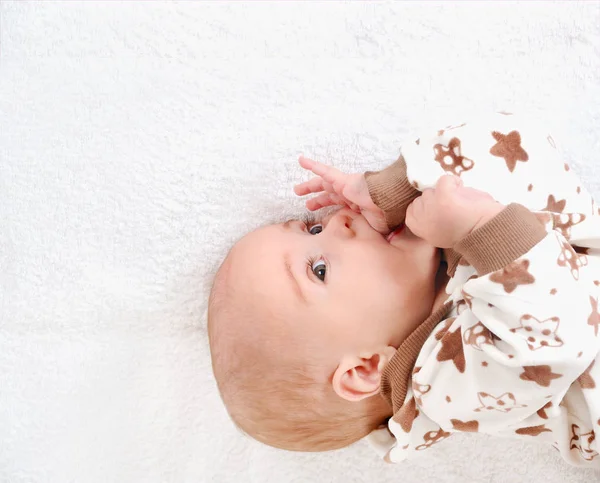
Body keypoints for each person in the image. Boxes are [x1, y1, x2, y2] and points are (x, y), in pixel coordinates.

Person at [208, 112, 600, 468]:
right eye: (319, 269)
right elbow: (560, 339)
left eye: (313, 227)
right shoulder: (449, 388)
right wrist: (477, 228)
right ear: (366, 368)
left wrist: (396, 189)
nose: (338, 220)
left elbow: (521, 143)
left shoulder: (455, 254)